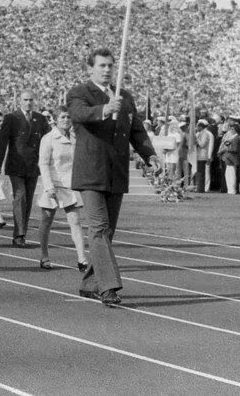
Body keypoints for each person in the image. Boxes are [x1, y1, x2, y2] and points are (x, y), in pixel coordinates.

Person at [67, 48, 159, 307]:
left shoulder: (125, 97)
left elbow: (137, 131)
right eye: (102, 66)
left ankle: (89, 282)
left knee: (107, 232)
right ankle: (108, 287)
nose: (107, 70)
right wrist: (106, 109)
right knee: (98, 229)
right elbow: (80, 115)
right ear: (91, 68)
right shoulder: (79, 93)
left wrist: (150, 155)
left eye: (110, 65)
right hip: (90, 172)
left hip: (116, 174)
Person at [0, 90, 49, 247]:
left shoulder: (40, 119)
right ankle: (19, 235)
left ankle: (21, 234)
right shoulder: (11, 118)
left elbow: (48, 140)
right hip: (16, 165)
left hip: (33, 166)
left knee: (28, 201)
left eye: (31, 99)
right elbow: (2, 142)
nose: (28, 102)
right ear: (19, 102)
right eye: (25, 99)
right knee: (20, 197)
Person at [37, 107, 88, 271]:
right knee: (47, 220)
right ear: (56, 119)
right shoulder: (48, 138)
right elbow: (43, 164)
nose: (66, 120)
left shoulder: (75, 137)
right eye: (63, 117)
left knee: (75, 221)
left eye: (68, 117)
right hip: (52, 184)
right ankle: (44, 255)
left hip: (70, 185)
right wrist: (48, 186)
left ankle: (82, 259)